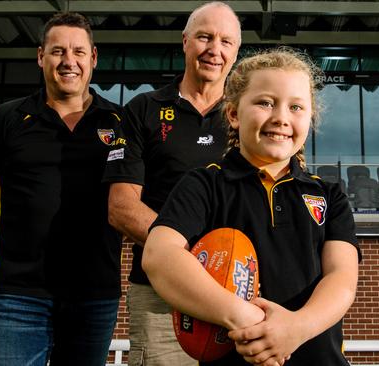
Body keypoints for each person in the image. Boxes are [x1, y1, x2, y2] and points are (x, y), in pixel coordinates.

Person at [142, 47, 360, 366]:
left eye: (296, 107)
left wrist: (295, 329)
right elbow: (159, 256)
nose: (281, 118)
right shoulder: (204, 184)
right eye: (264, 102)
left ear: (310, 118)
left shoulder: (329, 195)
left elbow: (342, 280)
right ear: (233, 113)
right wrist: (245, 319)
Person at [0, 12, 124, 366]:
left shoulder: (119, 123)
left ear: (93, 59)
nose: (69, 61)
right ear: (40, 57)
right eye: (58, 51)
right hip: (19, 297)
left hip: (94, 295)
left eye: (79, 52)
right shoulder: (5, 119)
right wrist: (20, 250)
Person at [102, 2, 241, 364]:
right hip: (162, 296)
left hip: (239, 292)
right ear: (185, 41)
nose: (215, 50)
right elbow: (121, 208)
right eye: (205, 37)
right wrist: (191, 256)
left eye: (226, 41)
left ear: (237, 51)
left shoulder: (250, 116)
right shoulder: (142, 109)